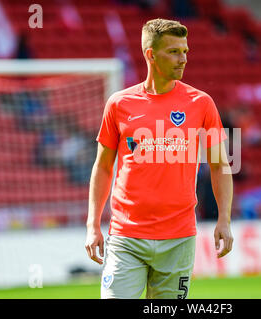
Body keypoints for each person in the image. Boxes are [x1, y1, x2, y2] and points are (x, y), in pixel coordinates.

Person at [84, 18, 234, 299]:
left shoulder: (201, 103)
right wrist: (93, 224)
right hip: (126, 236)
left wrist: (224, 219)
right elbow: (103, 167)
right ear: (150, 54)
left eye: (185, 51)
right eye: (174, 51)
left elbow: (220, 165)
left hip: (178, 238)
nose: (183, 59)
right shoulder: (119, 104)